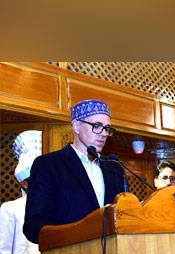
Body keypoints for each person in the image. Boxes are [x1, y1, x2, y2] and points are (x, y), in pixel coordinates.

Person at [23, 99, 126, 245]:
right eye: (97, 126)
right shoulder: (49, 165)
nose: (103, 134)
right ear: (76, 126)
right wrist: (73, 235)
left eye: (107, 128)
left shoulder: (114, 168)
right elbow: (33, 225)